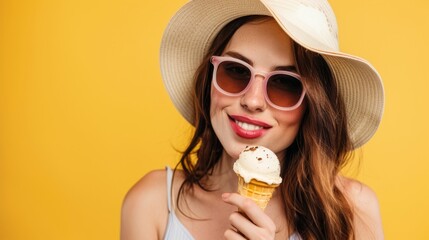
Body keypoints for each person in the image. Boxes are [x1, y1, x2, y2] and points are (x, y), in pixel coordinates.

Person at [121, 0, 385, 239]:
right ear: (208, 80)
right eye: (235, 71)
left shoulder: (352, 211)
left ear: (312, 105)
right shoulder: (152, 203)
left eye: (284, 83)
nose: (253, 101)